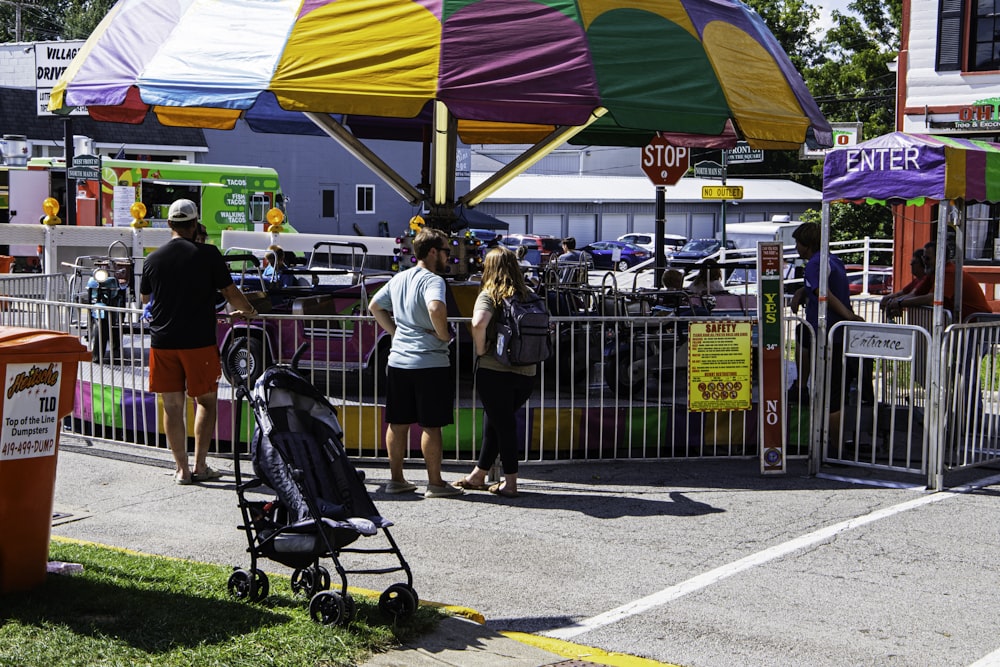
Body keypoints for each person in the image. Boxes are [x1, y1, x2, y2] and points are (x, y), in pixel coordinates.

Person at [140, 199, 258, 485]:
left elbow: (145, 299)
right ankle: (201, 464)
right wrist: (251, 312)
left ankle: (181, 469)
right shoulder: (208, 254)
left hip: (162, 342)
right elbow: (230, 292)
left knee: (171, 406)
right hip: (199, 342)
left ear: (169, 224)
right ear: (195, 225)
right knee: (205, 401)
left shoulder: (152, 259)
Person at [369, 228, 463, 499]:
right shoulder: (434, 281)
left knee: (397, 424)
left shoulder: (400, 278)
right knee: (430, 426)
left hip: (398, 361)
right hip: (430, 362)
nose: (449, 256)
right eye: (446, 251)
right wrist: (444, 334)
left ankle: (396, 480)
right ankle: (435, 483)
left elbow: (375, 305)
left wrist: (395, 333)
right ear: (433, 252)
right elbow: (435, 308)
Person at [452, 248, 537, 498]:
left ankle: (510, 484)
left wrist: (480, 348)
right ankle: (478, 475)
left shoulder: (490, 294)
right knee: (497, 420)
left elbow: (478, 323)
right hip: (526, 372)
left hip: (495, 370)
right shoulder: (529, 294)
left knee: (504, 425)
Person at [787, 222, 864, 444]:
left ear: (807, 244)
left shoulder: (814, 263)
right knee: (835, 388)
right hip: (837, 333)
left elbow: (822, 291)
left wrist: (848, 315)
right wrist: (802, 291)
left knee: (831, 392)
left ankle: (832, 444)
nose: (796, 248)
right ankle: (834, 442)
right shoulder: (833, 259)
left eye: (798, 243)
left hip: (827, 331)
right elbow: (820, 285)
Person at [881, 248, 930, 319]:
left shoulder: (925, 279)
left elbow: (913, 294)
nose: (911, 265)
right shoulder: (916, 281)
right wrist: (888, 298)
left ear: (922, 263)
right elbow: (901, 293)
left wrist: (897, 302)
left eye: (914, 262)